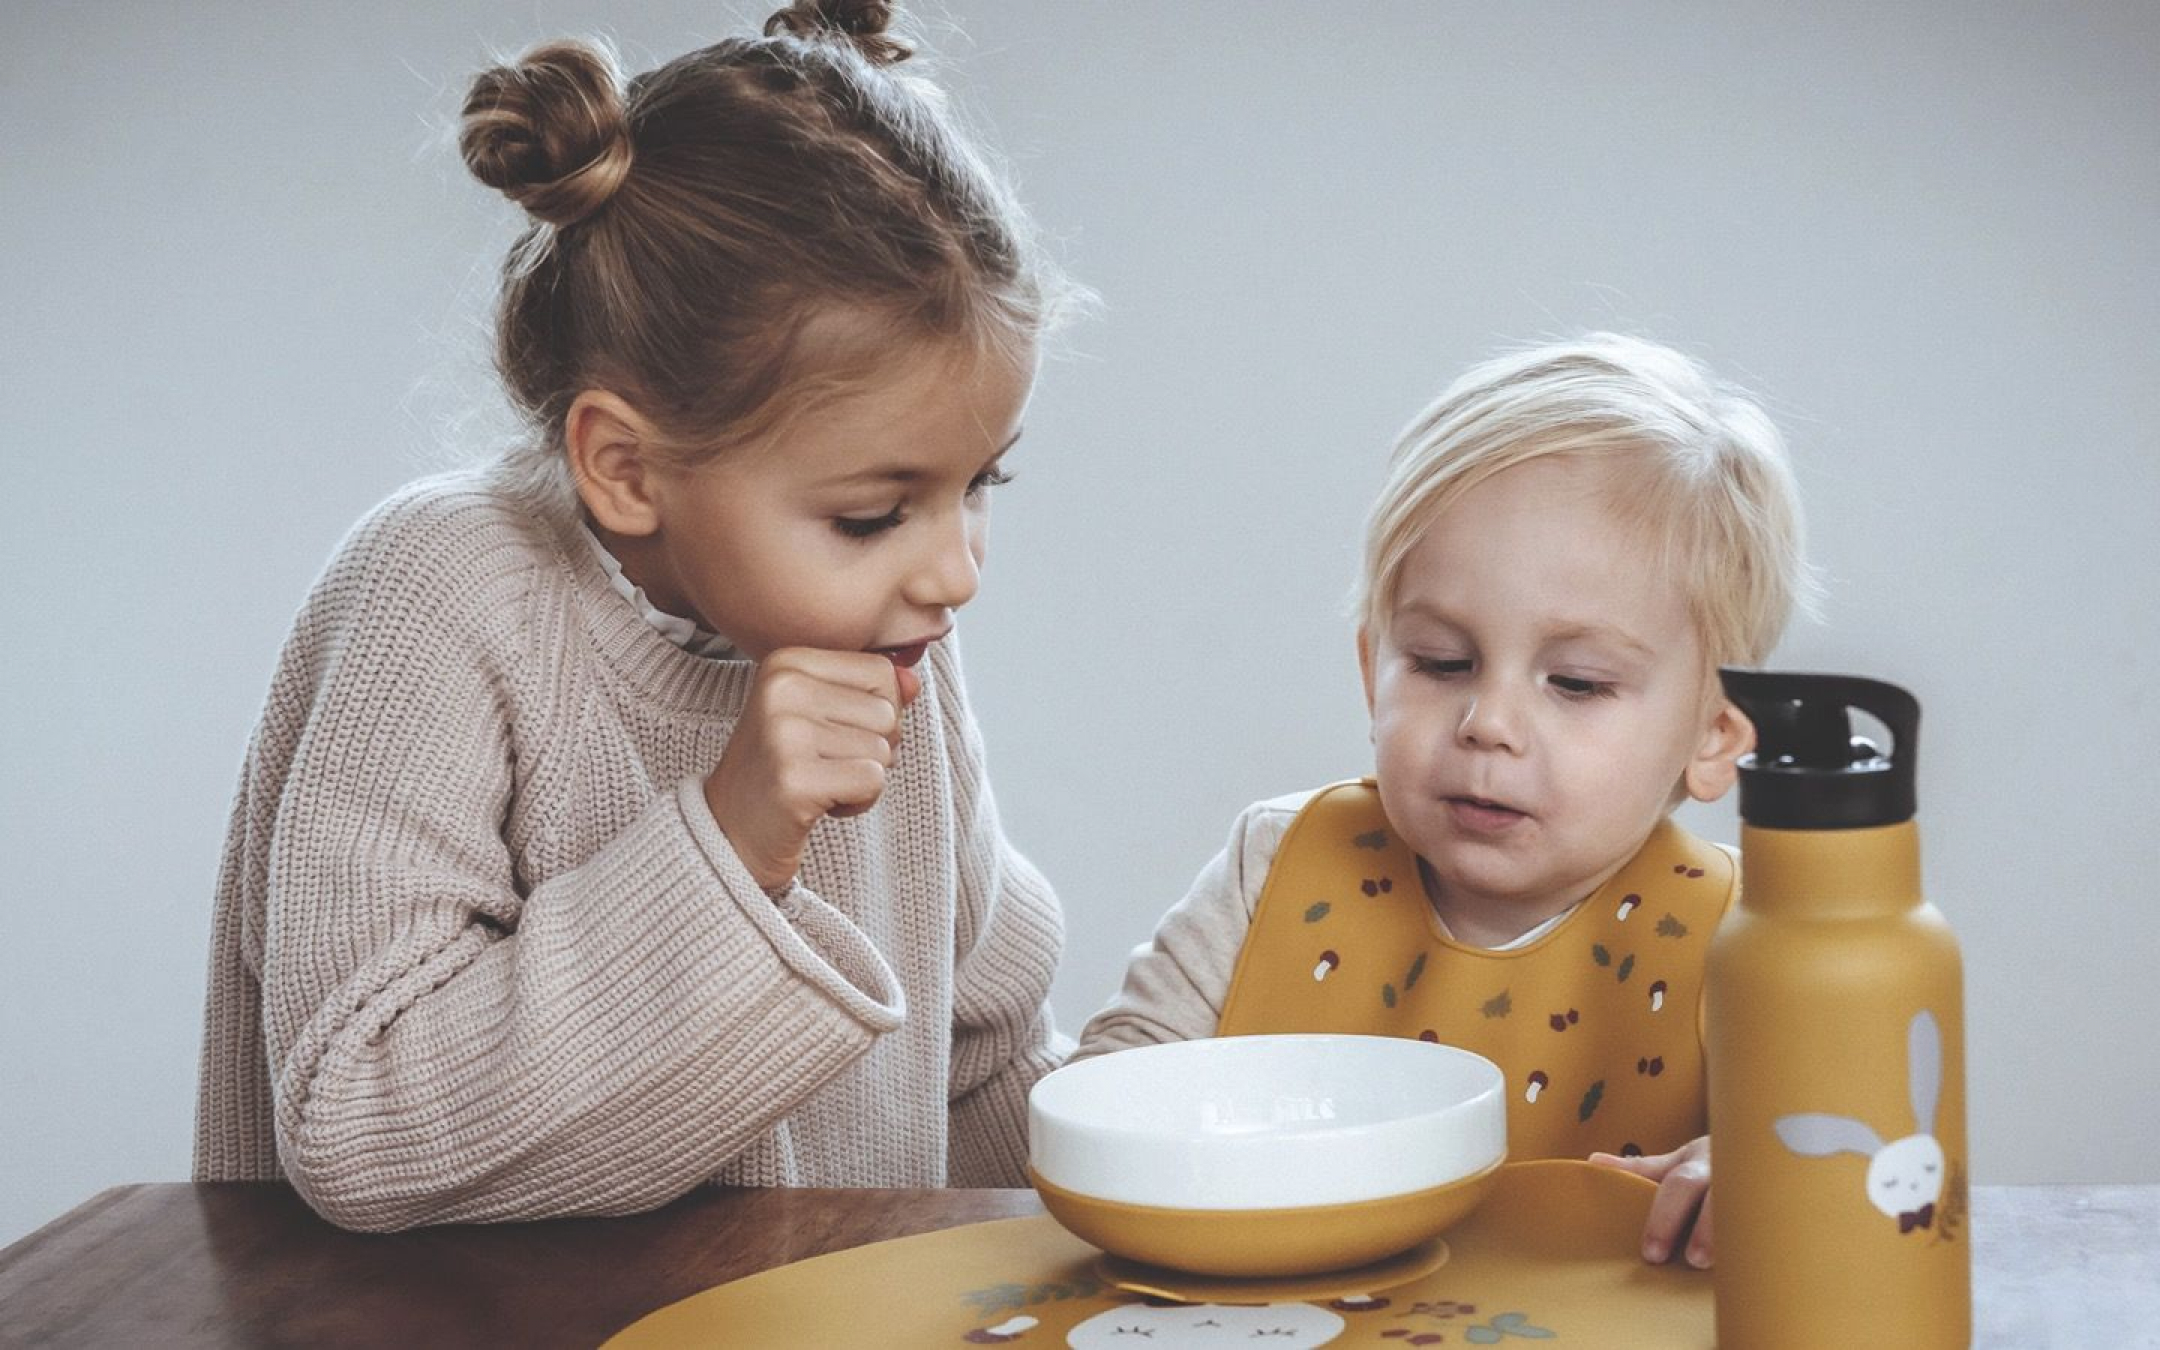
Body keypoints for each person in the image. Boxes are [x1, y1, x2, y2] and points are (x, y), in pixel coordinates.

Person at [193, 0, 1078, 1232]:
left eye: (979, 485)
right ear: (625, 465)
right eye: (876, 517)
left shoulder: (889, 639)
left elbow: (981, 1057)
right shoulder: (441, 594)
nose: (955, 573)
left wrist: (1165, 1177)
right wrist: (737, 833)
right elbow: (359, 1124)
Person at [1073, 333, 1814, 1270]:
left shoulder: (1755, 938)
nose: (1488, 722)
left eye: (1577, 683)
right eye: (1441, 663)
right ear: (1370, 669)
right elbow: (1112, 1085)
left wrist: (1750, 1173)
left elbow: (1830, 1152)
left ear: (1714, 734)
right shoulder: (1275, 864)